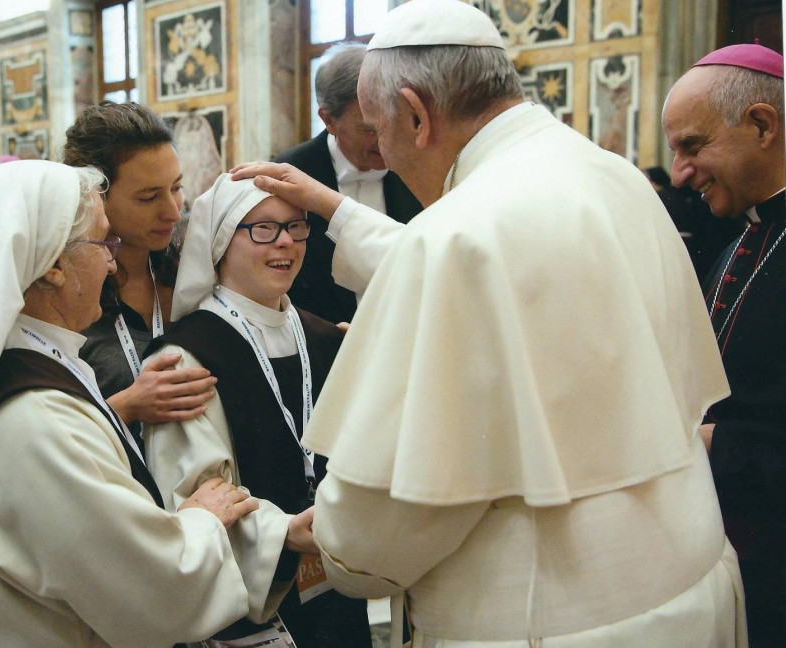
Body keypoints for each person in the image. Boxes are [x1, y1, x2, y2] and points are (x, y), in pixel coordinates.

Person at [232, 1, 747, 645]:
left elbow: (393, 516)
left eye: (381, 134)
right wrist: (337, 210)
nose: (384, 156)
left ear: (416, 115)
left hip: (556, 621)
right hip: (690, 579)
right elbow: (503, 276)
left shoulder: (455, 234)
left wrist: (331, 540)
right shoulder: (610, 173)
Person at [0, 160, 312, 647]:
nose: (113, 264)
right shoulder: (36, 418)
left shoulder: (32, 367)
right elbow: (149, 587)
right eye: (103, 244)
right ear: (52, 267)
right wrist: (202, 520)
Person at [143, 174, 371, 647]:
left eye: (295, 226)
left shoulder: (327, 337)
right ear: (221, 241)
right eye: (263, 228)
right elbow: (194, 491)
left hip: (336, 580)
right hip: (256, 601)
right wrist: (282, 531)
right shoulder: (186, 355)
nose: (285, 241)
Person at [662, 42, 785, 648]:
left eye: (692, 145)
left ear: (761, 125)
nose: (679, 173)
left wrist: (716, 444)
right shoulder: (744, 235)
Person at [62, 102, 216, 449]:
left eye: (176, 187)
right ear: (97, 197)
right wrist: (126, 406)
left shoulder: (190, 274)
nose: (173, 212)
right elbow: (42, 435)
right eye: (149, 198)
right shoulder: (64, 297)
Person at [272, 42, 421, 324]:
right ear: (328, 119)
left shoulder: (422, 167)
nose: (385, 140)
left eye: (391, 122)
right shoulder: (290, 174)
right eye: (368, 129)